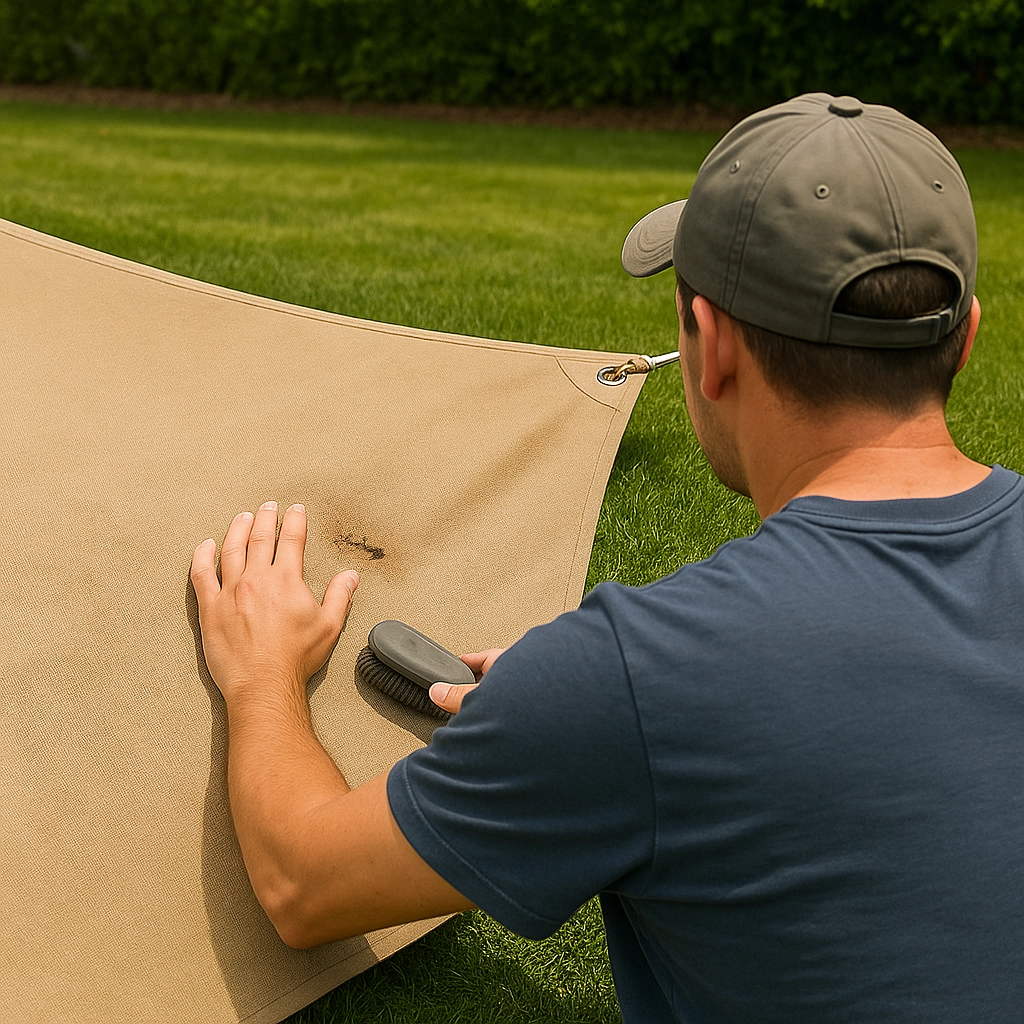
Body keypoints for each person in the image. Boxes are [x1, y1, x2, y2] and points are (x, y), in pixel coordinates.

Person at [189, 93, 1024, 1022]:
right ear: (968, 336)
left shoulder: (643, 673)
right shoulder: (637, 683)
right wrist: (586, 710)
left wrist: (263, 674)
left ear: (713, 350)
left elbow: (304, 885)